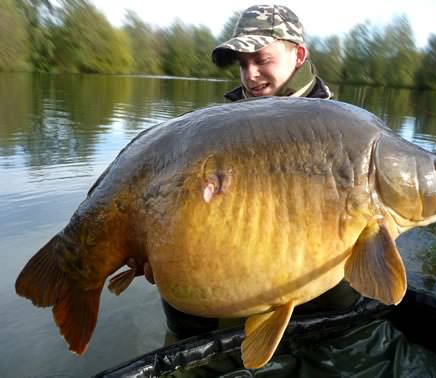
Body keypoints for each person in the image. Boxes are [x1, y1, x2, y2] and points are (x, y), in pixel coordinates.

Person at [138, 4, 361, 340]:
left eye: (262, 59)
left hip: (318, 293)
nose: (250, 74)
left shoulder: (344, 130)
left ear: (298, 55)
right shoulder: (221, 131)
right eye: (243, 64)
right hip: (234, 281)